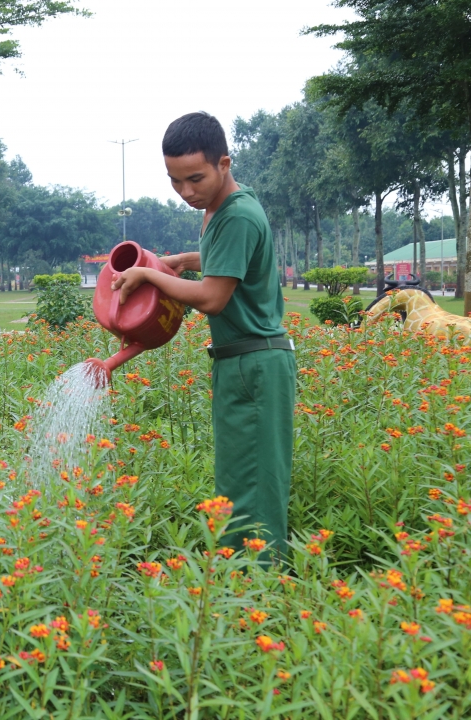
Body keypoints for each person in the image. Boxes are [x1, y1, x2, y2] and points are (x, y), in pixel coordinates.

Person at [110, 112, 296, 563]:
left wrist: (150, 278)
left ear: (224, 163)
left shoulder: (237, 216)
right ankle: (240, 586)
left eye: (195, 179)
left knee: (253, 491)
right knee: (238, 482)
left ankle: (259, 592)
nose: (186, 192)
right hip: (244, 363)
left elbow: (213, 298)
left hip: (254, 364)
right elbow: (224, 260)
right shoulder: (224, 206)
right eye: (175, 182)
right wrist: (181, 260)